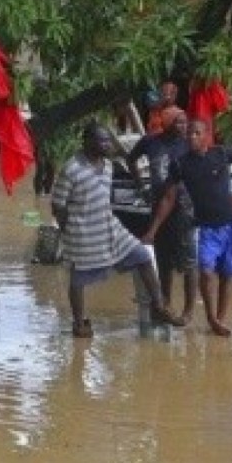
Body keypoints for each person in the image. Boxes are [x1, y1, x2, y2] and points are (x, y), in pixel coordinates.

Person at [51, 122, 184, 338]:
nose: (107, 144)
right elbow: (58, 205)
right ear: (87, 142)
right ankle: (79, 324)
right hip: (82, 231)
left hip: (109, 225)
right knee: (78, 279)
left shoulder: (109, 166)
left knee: (142, 255)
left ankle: (159, 307)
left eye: (108, 140)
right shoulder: (71, 169)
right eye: (102, 140)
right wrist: (69, 230)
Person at [142, 118, 232, 337]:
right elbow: (168, 198)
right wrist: (153, 230)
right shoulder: (181, 163)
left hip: (230, 225)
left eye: (196, 133)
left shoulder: (222, 153)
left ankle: (220, 319)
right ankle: (211, 317)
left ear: (207, 134)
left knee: (227, 274)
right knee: (205, 273)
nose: (191, 137)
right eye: (189, 134)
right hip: (206, 228)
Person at [126, 107, 197, 324]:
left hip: (185, 207)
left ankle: (188, 311)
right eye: (178, 123)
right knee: (163, 260)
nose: (183, 127)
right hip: (158, 204)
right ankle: (165, 303)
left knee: (188, 263)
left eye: (185, 122)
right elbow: (131, 159)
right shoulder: (150, 142)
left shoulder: (188, 144)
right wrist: (140, 184)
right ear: (166, 123)